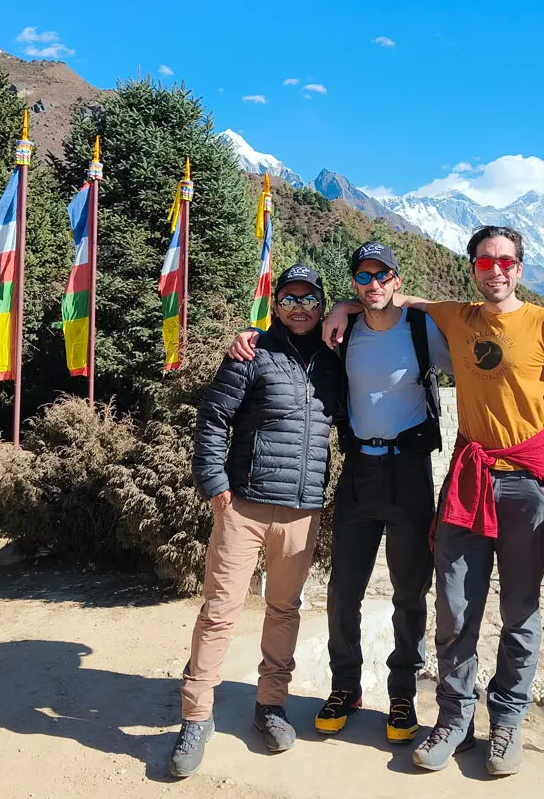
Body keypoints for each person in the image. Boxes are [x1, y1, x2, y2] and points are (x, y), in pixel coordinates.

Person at [323, 225, 544, 777]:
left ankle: (507, 723)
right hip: (469, 480)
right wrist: (342, 304)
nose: (495, 270)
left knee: (520, 611)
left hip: (529, 483)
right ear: (473, 267)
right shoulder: (456, 315)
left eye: (506, 261)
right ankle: (454, 720)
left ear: (520, 267)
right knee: (454, 607)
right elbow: (391, 293)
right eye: (484, 261)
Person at [227, 241, 452, 745]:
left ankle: (401, 694)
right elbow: (294, 342)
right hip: (358, 473)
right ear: (352, 282)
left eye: (381, 275)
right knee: (343, 591)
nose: (372, 284)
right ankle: (345, 687)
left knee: (409, 592)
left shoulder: (422, 330)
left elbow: (472, 344)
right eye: (362, 276)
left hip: (411, 472)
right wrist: (252, 334)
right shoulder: (341, 331)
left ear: (396, 278)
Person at [168, 264, 344, 779]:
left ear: (321, 303)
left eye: (310, 299)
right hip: (243, 507)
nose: (300, 307)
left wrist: (346, 309)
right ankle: (196, 716)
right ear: (275, 304)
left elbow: (374, 314)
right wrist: (216, 488)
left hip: (301, 510)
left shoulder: (334, 362)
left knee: (284, 610)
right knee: (219, 612)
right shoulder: (251, 354)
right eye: (289, 298)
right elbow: (212, 420)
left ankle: (271, 706)